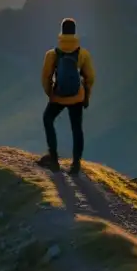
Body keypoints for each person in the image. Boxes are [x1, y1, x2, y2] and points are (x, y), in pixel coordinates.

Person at [39, 17, 95, 175]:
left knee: (48, 119)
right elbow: (90, 77)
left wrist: (51, 93)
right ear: (75, 33)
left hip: (58, 96)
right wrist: (86, 97)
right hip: (77, 97)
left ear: (61, 33)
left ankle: (54, 160)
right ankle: (76, 164)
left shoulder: (52, 54)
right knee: (77, 128)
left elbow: (45, 77)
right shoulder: (83, 54)